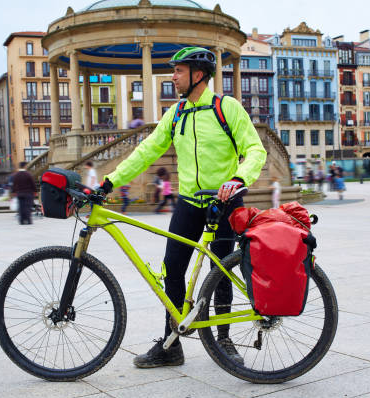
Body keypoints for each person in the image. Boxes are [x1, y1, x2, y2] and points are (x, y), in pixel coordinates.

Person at [98, 46, 267, 369]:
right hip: (189, 201)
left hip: (225, 201)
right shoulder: (176, 113)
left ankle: (224, 339)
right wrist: (109, 182)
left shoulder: (226, 108)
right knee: (172, 270)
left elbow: (255, 151)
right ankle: (170, 344)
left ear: (198, 74)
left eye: (178, 71)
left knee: (222, 271)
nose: (172, 77)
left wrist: (238, 178)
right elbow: (146, 151)